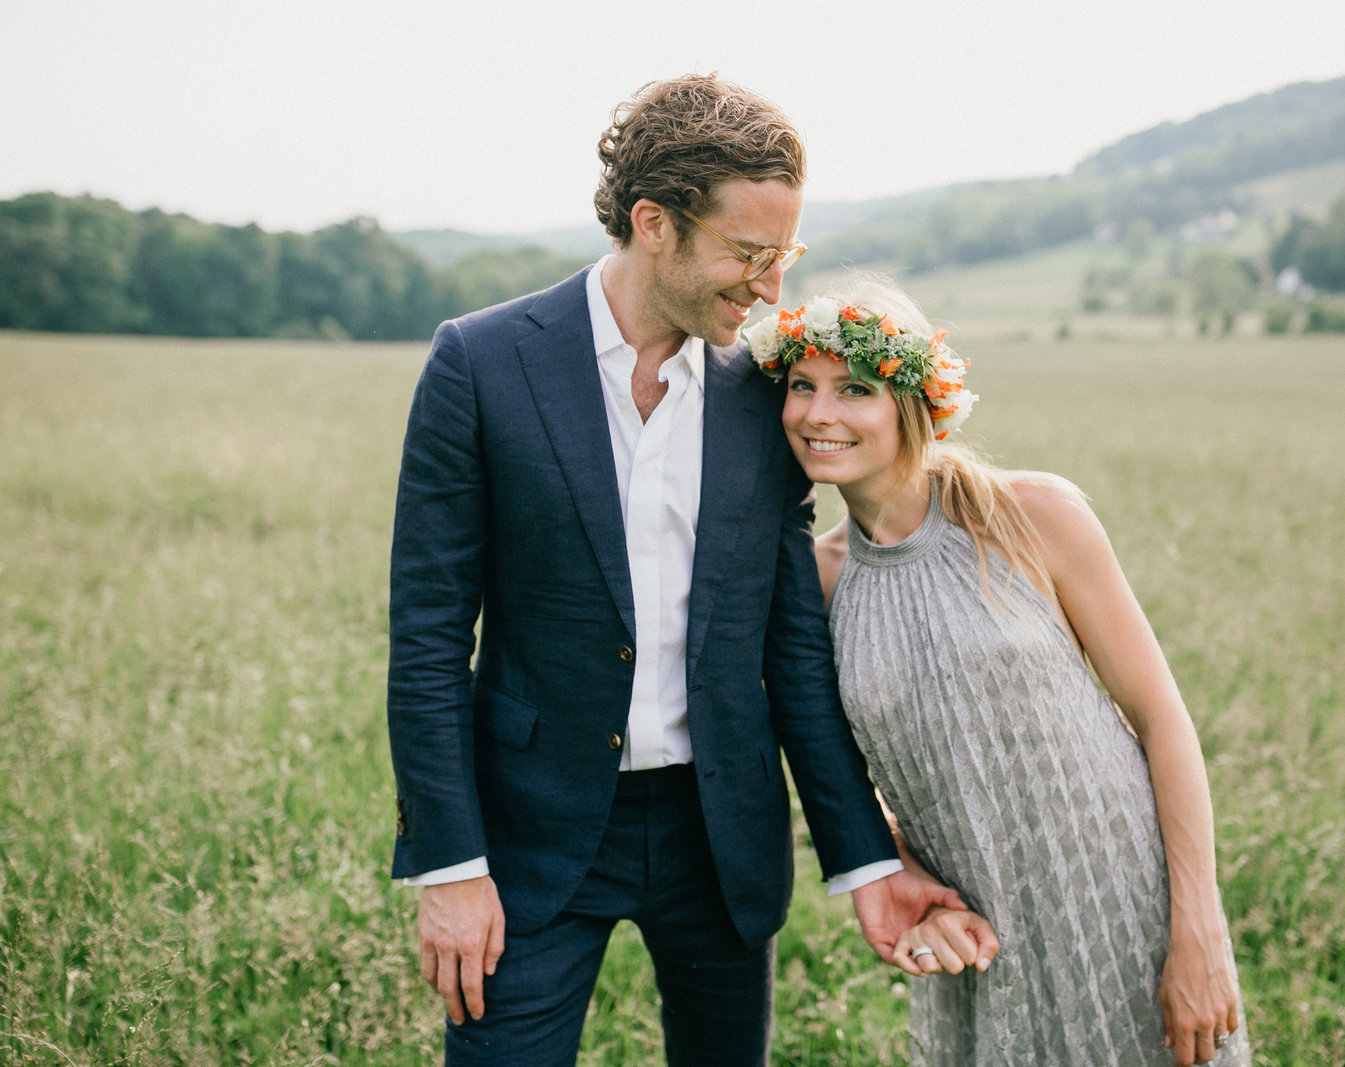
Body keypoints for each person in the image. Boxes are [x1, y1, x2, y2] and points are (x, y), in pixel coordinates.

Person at [385, 78, 966, 1065]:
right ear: (654, 223)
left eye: (783, 259)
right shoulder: (479, 365)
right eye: (747, 256)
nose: (768, 289)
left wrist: (866, 854)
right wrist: (449, 862)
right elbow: (430, 635)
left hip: (720, 831)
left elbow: (791, 644)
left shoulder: (761, 397)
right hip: (528, 839)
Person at [750, 279, 1252, 1066]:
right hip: (980, 937)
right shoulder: (816, 582)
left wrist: (1199, 930)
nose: (818, 413)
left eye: (855, 389)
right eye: (801, 387)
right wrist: (907, 875)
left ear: (913, 399)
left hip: (1123, 903)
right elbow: (833, 777)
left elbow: (1161, 717)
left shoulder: (1033, 514)